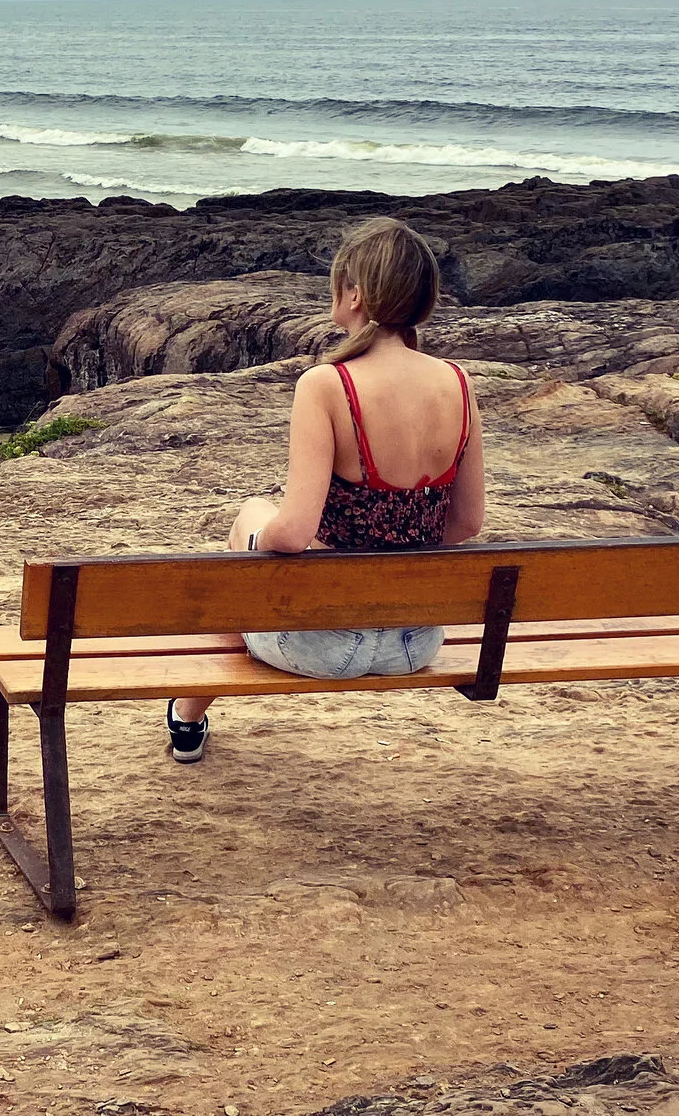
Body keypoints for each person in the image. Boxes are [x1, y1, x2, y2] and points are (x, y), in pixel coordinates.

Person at [166, 216, 485, 762]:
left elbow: (293, 533)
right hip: (416, 645)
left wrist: (253, 543)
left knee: (251, 520)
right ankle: (188, 714)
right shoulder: (457, 382)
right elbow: (464, 526)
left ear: (355, 294)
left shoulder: (326, 385)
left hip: (323, 646)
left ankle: (189, 715)